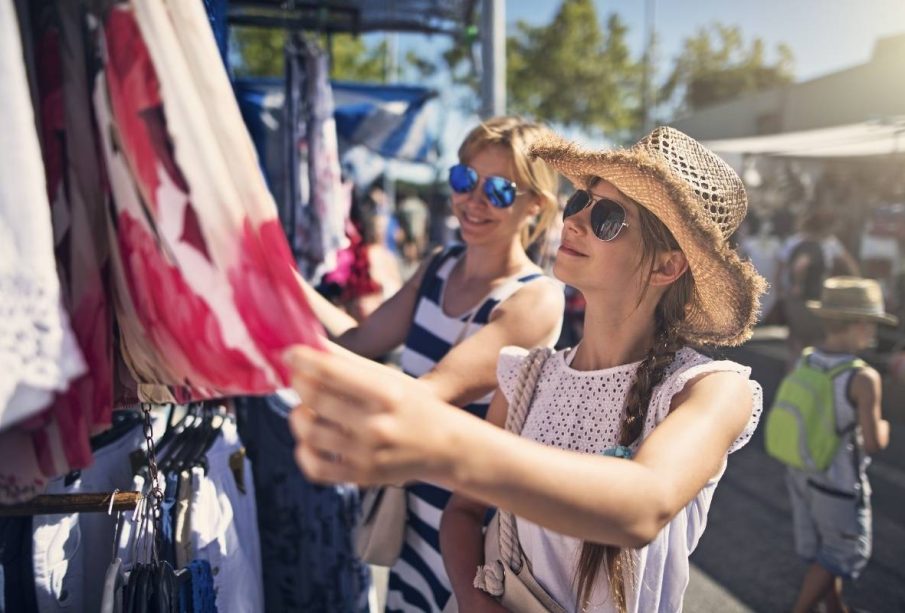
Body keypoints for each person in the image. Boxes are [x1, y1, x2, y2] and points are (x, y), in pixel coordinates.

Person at [286, 126, 767, 612]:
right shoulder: (530, 375)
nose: (575, 221)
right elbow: (463, 514)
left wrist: (442, 445)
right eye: (581, 200)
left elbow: (643, 505)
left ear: (667, 267)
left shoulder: (713, 390)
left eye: (607, 217)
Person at [296, 116, 565, 612]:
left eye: (499, 190)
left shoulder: (536, 299)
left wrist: (272, 345)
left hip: (468, 532)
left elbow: (426, 393)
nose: (473, 200)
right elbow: (358, 339)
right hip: (411, 508)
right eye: (464, 179)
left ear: (536, 207)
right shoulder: (440, 266)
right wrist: (279, 281)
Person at [781, 277, 892, 613]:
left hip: (802, 475)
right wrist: (884, 426)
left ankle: (835, 607)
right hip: (840, 484)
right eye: (872, 325)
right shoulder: (862, 378)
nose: (873, 334)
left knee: (822, 548)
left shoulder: (807, 358)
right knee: (841, 553)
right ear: (859, 324)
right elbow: (873, 443)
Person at [777, 207, 860, 368]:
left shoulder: (822, 242)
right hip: (809, 300)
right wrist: (798, 285)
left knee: (796, 344)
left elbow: (782, 269)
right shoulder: (811, 244)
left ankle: (793, 379)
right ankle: (808, 374)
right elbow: (801, 265)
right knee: (812, 343)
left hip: (798, 299)